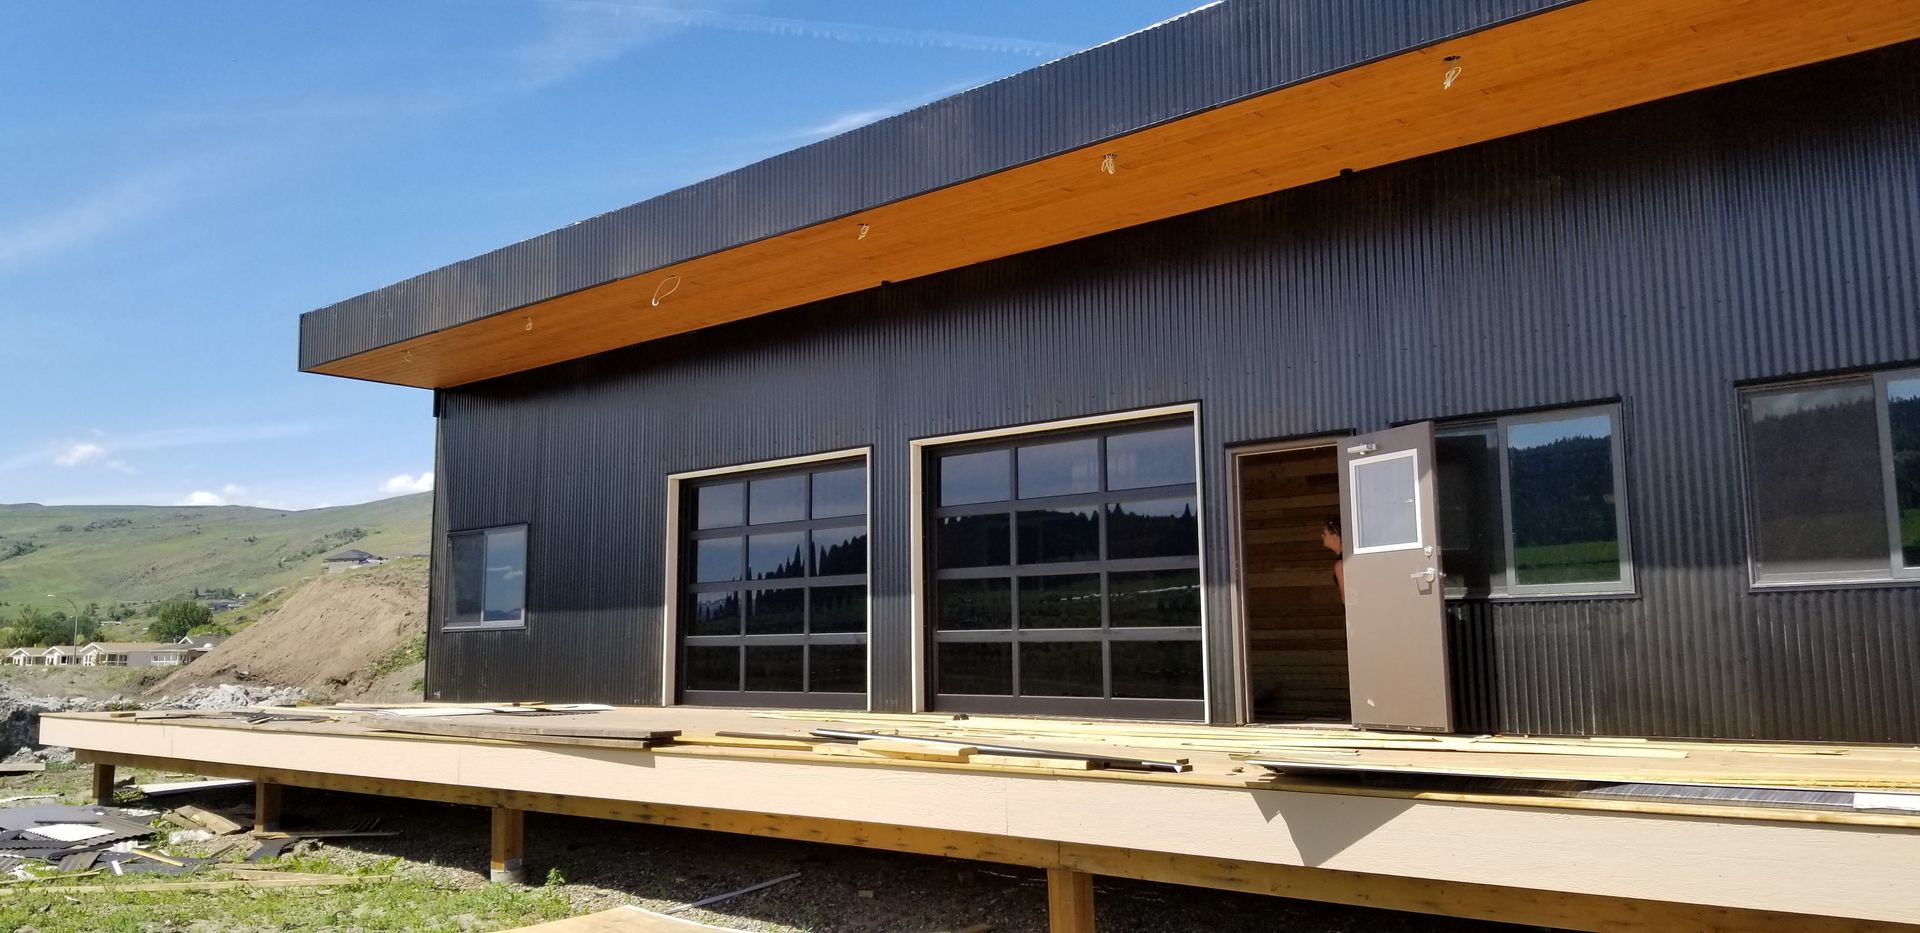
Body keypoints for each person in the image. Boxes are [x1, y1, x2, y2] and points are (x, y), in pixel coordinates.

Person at [1320, 518, 1344, 598]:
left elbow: (1346, 597)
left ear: (1335, 537)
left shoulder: (1340, 564)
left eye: (1325, 534)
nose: (1322, 536)